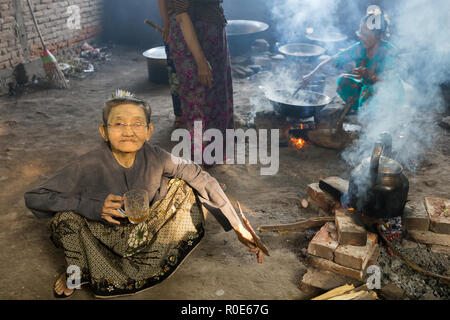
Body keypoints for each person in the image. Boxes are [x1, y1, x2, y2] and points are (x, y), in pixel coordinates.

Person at [24, 90, 261, 298]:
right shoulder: (88, 164)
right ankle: (76, 274)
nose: (128, 131)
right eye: (118, 124)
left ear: (149, 131)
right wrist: (90, 205)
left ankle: (139, 265)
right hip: (104, 233)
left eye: (137, 124)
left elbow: (201, 176)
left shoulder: (157, 156)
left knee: (184, 186)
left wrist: (237, 226)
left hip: (147, 231)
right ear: (104, 132)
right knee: (65, 220)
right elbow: (35, 197)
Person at [166, 0, 234, 164]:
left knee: (218, 92)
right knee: (198, 98)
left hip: (213, 36)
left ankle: (217, 151)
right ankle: (203, 154)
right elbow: (182, 15)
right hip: (193, 42)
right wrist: (201, 61)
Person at [301, 6, 403, 113]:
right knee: (344, 80)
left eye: (365, 35)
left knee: (370, 90)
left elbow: (390, 82)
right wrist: (311, 75)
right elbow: (335, 60)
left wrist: (369, 75)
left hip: (388, 93)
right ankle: (361, 110)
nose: (361, 37)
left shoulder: (389, 52)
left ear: (379, 36)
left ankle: (374, 117)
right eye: (360, 33)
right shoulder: (359, 48)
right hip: (367, 87)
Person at [158, 0, 183, 129]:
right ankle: (179, 114)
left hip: (197, 22)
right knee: (175, 71)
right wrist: (167, 24)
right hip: (175, 23)